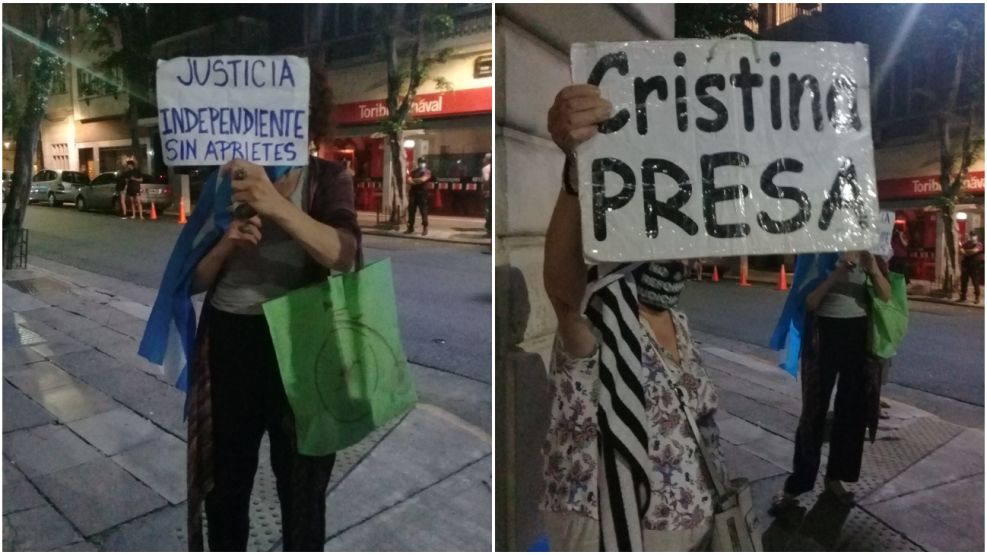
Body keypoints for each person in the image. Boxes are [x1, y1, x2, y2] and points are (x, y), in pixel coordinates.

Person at [539, 84, 728, 551]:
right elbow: (563, 289)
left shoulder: (678, 323)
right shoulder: (600, 312)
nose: (684, 261)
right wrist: (577, 172)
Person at [186, 63, 361, 552]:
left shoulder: (329, 178)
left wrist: (277, 204)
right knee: (226, 490)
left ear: (306, 118)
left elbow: (345, 255)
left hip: (303, 347)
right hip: (230, 343)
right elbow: (193, 282)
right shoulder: (225, 181)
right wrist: (226, 244)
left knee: (303, 492)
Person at [771, 250, 891, 512]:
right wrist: (836, 273)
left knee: (852, 411)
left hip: (858, 335)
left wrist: (871, 267)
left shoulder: (870, 254)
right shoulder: (817, 253)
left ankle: (836, 478)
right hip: (823, 334)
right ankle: (797, 485)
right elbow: (809, 302)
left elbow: (886, 295)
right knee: (814, 410)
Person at [406, 156, 432, 236]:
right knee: (411, 211)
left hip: (422, 193)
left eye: (423, 162)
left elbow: (423, 180)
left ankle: (425, 228)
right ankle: (410, 227)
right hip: (413, 193)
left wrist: (414, 180)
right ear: (418, 163)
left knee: (423, 211)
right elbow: (409, 181)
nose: (422, 163)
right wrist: (417, 180)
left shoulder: (427, 171)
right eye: (421, 162)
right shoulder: (414, 172)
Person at [958, 230, 983, 303]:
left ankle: (977, 297)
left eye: (973, 235)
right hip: (966, 265)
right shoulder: (966, 243)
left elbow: (974, 251)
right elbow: (960, 251)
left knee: (975, 281)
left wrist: (966, 252)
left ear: (976, 236)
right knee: (964, 281)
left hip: (974, 265)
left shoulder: (979, 244)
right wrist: (969, 252)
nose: (972, 237)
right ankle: (963, 296)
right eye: (971, 235)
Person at [482, 152, 492, 237]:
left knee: (487, 210)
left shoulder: (485, 168)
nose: (483, 160)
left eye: (484, 158)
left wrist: (485, 190)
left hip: (488, 192)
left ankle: (489, 231)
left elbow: (486, 180)